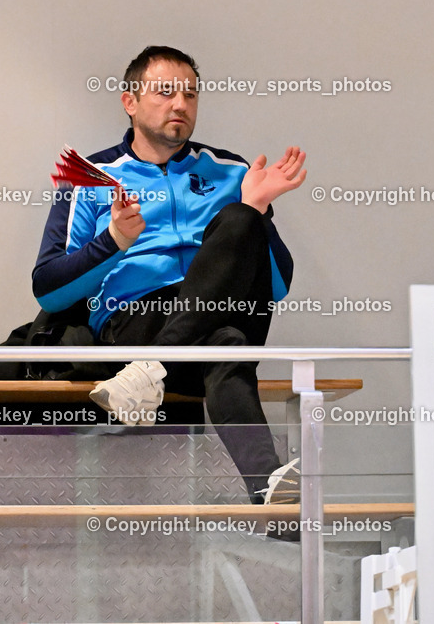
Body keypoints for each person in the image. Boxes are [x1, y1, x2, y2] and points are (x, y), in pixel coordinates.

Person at [32, 46, 306, 504]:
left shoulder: (232, 172)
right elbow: (49, 290)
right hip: (139, 321)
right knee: (227, 344)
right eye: (165, 92)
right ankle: (269, 492)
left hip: (190, 338)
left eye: (191, 94)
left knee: (239, 221)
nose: (180, 104)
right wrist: (114, 241)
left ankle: (151, 370)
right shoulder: (92, 177)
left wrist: (258, 210)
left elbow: (275, 287)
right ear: (130, 101)